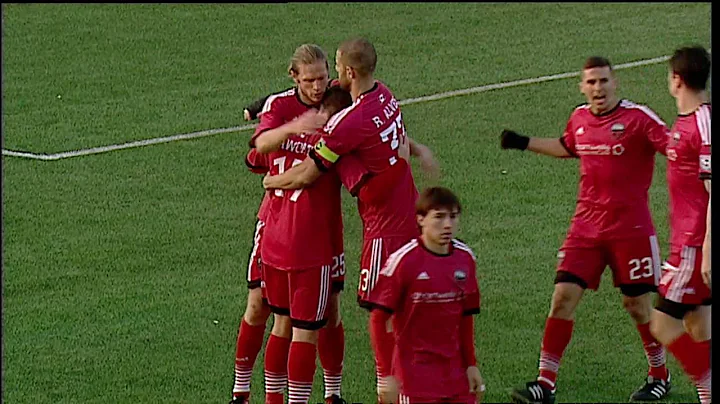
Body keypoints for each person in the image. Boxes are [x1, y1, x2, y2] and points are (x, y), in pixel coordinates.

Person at [262, 37, 437, 396]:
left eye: (336, 70)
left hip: (384, 229)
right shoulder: (385, 95)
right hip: (410, 213)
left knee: (381, 315)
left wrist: (272, 180)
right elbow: (393, 138)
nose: (330, 80)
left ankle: (393, 389)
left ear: (349, 71)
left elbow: (309, 174)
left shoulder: (347, 125)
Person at [500, 56, 671, 404]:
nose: (598, 88)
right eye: (591, 82)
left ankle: (659, 375)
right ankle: (545, 383)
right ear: (581, 86)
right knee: (562, 298)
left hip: (631, 230)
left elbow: (675, 147)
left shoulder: (638, 119)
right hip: (586, 229)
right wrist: (523, 142)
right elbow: (568, 147)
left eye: (604, 81)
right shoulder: (579, 118)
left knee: (637, 305)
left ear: (615, 82)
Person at [230, 44, 349, 404]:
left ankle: (332, 394)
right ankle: (241, 390)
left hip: (324, 228)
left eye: (322, 78)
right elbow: (259, 148)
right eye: (309, 80)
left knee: (328, 312)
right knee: (264, 308)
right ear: (294, 78)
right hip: (278, 226)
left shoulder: (338, 103)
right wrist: (296, 127)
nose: (317, 87)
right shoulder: (281, 109)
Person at [258, 84, 370, 404]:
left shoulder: (284, 132)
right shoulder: (335, 143)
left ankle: (280, 399)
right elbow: (354, 183)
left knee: (282, 322)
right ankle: (320, 395)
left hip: (275, 239)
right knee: (308, 328)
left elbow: (257, 151)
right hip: (312, 245)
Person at [366, 187, 485, 404]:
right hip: (414, 377)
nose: (448, 225)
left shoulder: (465, 259)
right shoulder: (403, 262)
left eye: (453, 216)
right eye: (439, 217)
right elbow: (378, 318)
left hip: (455, 373)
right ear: (420, 219)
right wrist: (385, 375)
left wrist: (471, 365)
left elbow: (466, 317)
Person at [649, 45, 711, 404]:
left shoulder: (702, 122)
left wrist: (705, 251)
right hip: (689, 243)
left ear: (676, 79)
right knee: (699, 327)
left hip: (693, 246)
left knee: (662, 323)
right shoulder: (687, 121)